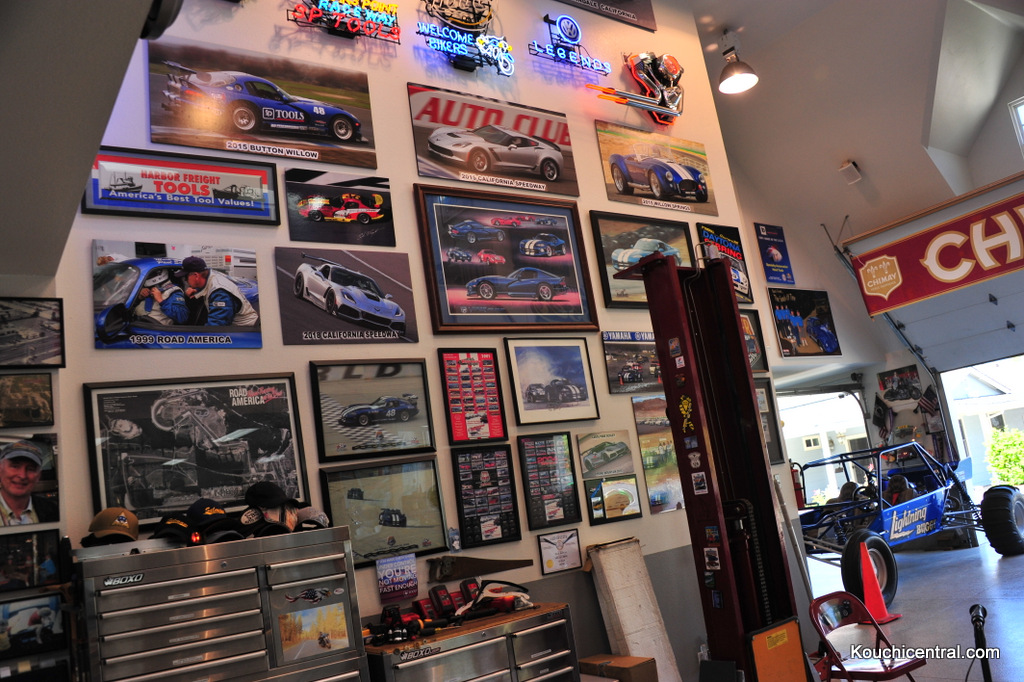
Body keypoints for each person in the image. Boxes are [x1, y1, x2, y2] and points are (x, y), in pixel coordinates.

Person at [174, 256, 259, 326]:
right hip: (235, 330)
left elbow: (216, 327)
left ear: (196, 276)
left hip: (245, 331)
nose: (185, 280)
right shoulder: (210, 278)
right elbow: (205, 286)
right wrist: (196, 291)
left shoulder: (220, 293)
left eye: (185, 277)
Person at [0, 441, 58, 526]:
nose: (22, 475)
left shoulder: (52, 511)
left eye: (31, 469)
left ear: (38, 476)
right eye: (15, 466)